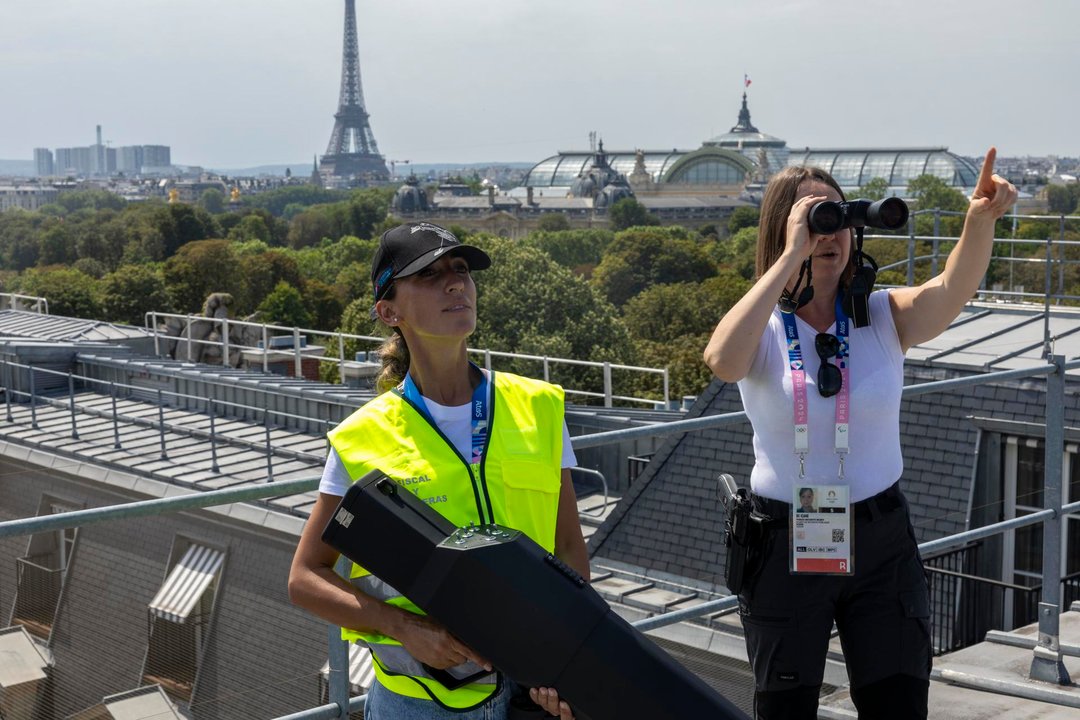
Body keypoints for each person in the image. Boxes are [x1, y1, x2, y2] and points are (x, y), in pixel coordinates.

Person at [704, 149, 1016, 719]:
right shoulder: (764, 326)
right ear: (782, 230)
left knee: (897, 700)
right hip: (784, 539)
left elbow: (951, 291)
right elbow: (723, 360)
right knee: (786, 707)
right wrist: (791, 254)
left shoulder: (880, 315)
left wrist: (979, 222)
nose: (832, 234)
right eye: (814, 219)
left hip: (880, 537)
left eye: (840, 219)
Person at [289, 222, 588, 720]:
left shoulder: (538, 405)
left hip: (531, 693)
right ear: (389, 311)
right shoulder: (363, 438)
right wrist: (403, 628)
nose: (455, 283)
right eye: (428, 275)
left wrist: (564, 655)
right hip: (420, 704)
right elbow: (304, 578)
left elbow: (570, 549)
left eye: (461, 270)